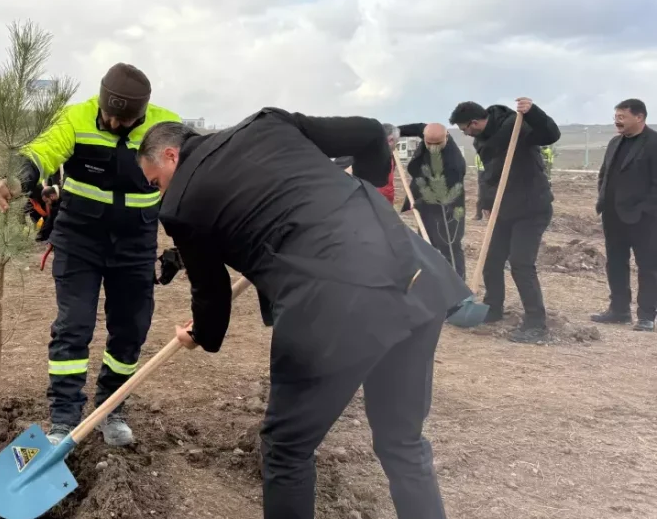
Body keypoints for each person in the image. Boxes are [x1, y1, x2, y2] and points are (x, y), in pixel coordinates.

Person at [136, 111, 469, 519]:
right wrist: (364, 197)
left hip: (333, 305)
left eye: (156, 182)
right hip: (412, 274)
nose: (159, 192)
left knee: (288, 448)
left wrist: (201, 334)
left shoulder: (181, 204)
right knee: (402, 441)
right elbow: (369, 132)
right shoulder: (267, 124)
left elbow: (212, 292)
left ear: (171, 156)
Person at [0, 63, 181, 448]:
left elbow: (191, 180)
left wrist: (183, 246)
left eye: (125, 118)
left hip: (136, 243)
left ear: (144, 111)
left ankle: (112, 408)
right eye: (109, 114)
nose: (113, 122)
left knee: (130, 330)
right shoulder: (76, 117)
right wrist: (20, 177)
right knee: (73, 328)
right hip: (80, 240)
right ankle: (64, 419)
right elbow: (43, 152)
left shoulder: (168, 126)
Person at [450, 97, 560, 343]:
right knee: (491, 260)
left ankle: (536, 323)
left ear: (474, 122)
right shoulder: (483, 140)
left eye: (465, 129)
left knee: (521, 263)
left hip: (532, 208)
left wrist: (533, 112)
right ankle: (493, 308)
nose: (466, 135)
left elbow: (550, 134)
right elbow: (489, 175)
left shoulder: (516, 126)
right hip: (503, 208)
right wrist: (486, 203)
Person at [592, 99, 657, 332]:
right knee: (616, 263)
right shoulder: (614, 142)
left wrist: (644, 209)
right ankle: (619, 310)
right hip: (613, 216)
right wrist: (602, 199)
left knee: (648, 266)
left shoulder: (653, 143)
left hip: (644, 219)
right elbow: (604, 174)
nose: (617, 120)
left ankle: (647, 315)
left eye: (622, 116)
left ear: (639, 117)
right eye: (616, 116)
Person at [398, 123, 466, 278]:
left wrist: (420, 202)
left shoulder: (454, 164)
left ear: (446, 137)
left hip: (448, 208)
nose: (433, 147)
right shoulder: (428, 131)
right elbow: (412, 128)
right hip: (426, 201)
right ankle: (429, 281)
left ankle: (457, 285)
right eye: (429, 144)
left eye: (437, 144)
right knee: (425, 243)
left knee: (450, 246)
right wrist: (392, 133)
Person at [376, 123, 398, 204]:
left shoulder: (391, 157)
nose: (395, 147)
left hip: (386, 204)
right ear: (391, 140)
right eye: (396, 142)